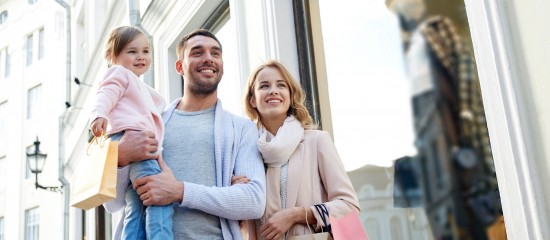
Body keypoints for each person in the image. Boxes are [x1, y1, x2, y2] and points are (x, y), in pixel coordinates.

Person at [103, 29, 267, 240]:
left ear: (222, 66)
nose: (208, 58)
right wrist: (121, 157)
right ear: (180, 66)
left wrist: (180, 191)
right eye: (197, 53)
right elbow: (112, 203)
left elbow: (253, 202)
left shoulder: (242, 129)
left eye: (215, 53)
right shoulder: (151, 125)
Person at [237, 60, 360, 240]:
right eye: (264, 86)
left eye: (281, 85)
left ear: (290, 95)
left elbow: (349, 206)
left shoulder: (317, 141)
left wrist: (296, 215)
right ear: (252, 100)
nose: (273, 90)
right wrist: (237, 193)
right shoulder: (245, 153)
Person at [89, 25, 172, 240]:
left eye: (146, 51)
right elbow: (105, 94)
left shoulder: (141, 87)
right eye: (132, 51)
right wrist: (99, 114)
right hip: (133, 141)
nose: (141, 56)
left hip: (132, 141)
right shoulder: (119, 73)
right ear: (112, 56)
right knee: (158, 197)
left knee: (136, 201)